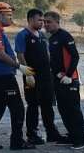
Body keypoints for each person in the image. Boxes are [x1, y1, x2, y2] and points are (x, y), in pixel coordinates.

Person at [0, 2, 35, 151]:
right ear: (0, 15)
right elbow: (1, 54)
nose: (11, 19)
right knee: (17, 108)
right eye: (9, 15)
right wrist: (19, 66)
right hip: (2, 75)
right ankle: (17, 141)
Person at [14, 8, 66, 145]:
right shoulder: (23, 35)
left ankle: (52, 133)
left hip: (46, 75)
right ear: (30, 20)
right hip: (31, 76)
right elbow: (20, 54)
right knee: (33, 104)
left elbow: (48, 53)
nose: (42, 23)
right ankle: (32, 134)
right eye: (39, 20)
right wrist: (28, 73)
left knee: (47, 104)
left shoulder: (42, 35)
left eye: (43, 20)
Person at [43, 11, 84, 149]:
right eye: (45, 22)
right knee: (63, 109)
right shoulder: (52, 38)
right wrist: (56, 74)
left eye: (49, 22)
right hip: (59, 79)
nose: (46, 24)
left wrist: (68, 75)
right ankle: (72, 135)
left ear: (57, 22)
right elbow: (54, 61)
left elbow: (75, 56)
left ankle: (80, 140)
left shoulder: (64, 36)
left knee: (73, 110)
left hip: (70, 80)